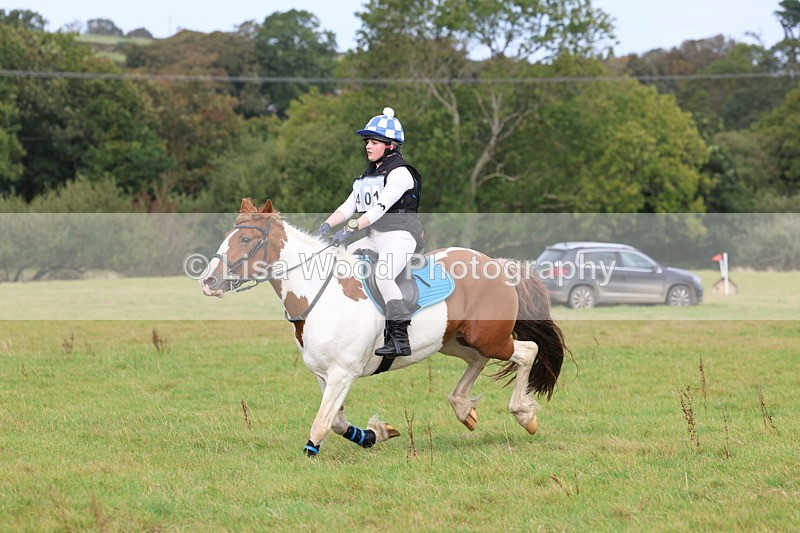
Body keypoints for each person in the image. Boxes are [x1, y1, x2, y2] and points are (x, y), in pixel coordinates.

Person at [315, 107, 423, 357]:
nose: (368, 146)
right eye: (367, 141)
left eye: (374, 142)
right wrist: (327, 226)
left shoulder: (401, 173)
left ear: (391, 146)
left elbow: (379, 208)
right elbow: (348, 205)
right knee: (337, 264)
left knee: (384, 275)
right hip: (374, 237)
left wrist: (350, 229)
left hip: (401, 236)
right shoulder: (368, 175)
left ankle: (399, 338)